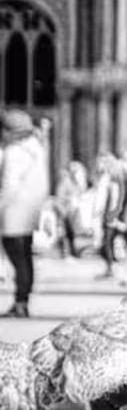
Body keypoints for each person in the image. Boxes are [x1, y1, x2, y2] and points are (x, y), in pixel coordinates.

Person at [0, 111, 49, 318]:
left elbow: (9, 186)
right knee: (25, 259)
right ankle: (22, 300)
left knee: (18, 259)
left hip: (14, 212)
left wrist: (0, 206)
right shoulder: (36, 149)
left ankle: (20, 302)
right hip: (30, 211)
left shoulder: (15, 152)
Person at [96, 152, 127, 278]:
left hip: (110, 215)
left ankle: (113, 269)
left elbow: (115, 199)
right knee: (106, 243)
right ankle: (110, 268)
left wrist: (112, 216)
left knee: (107, 243)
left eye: (101, 162)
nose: (99, 165)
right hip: (106, 214)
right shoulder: (107, 177)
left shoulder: (113, 178)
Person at [54, 159, 90, 259]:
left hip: (69, 210)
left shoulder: (72, 182)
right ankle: (66, 252)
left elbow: (80, 192)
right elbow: (61, 196)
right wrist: (65, 206)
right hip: (64, 209)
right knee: (66, 232)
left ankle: (71, 252)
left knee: (70, 232)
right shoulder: (66, 182)